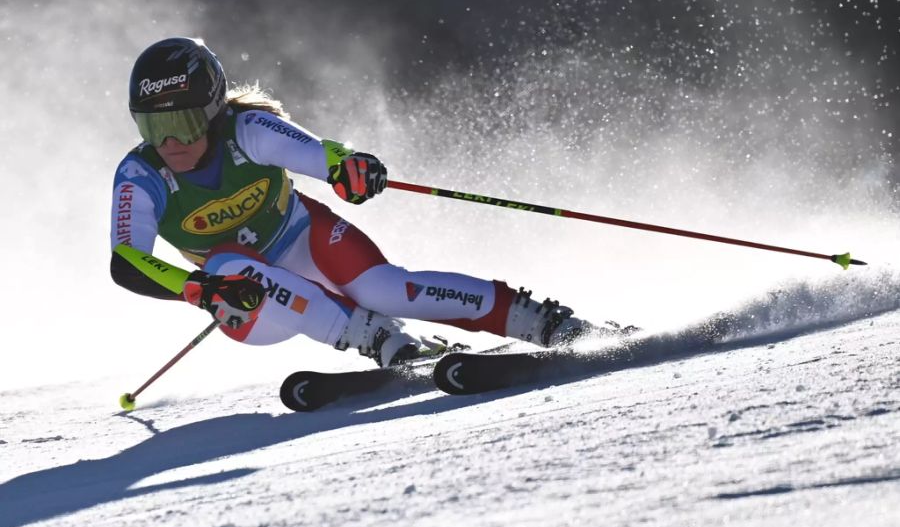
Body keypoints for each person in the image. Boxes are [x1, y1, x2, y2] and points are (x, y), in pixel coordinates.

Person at [110, 37, 597, 368]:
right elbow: (128, 261)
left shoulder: (247, 130)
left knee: (386, 290)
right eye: (153, 127)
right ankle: (380, 340)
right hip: (252, 307)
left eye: (184, 122)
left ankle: (544, 322)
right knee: (229, 265)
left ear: (214, 111)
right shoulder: (140, 176)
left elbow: (320, 154)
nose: (170, 141)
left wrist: (350, 168)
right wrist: (199, 290)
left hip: (305, 239)